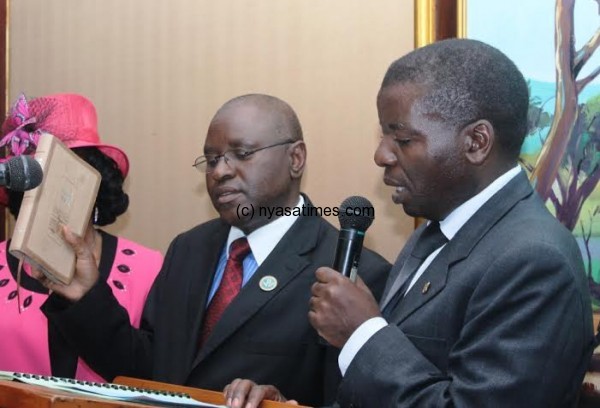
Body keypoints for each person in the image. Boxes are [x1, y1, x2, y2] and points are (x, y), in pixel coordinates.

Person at [226, 39, 596, 408]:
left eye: (402, 138)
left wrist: (362, 333)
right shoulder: (430, 236)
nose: (381, 154)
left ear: (476, 142)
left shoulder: (535, 262)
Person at [36, 93, 390, 407]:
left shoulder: (349, 272)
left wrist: (282, 404)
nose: (220, 171)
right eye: (211, 159)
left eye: (242, 154)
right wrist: (85, 296)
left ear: (295, 158)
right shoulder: (188, 248)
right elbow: (147, 369)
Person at [0, 93, 163, 382]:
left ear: (93, 180)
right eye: (37, 171)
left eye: (64, 168)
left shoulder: (150, 269)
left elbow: (160, 375)